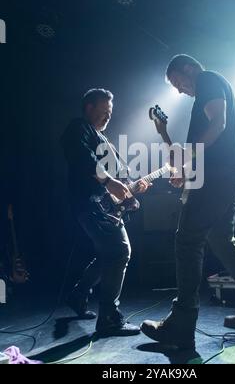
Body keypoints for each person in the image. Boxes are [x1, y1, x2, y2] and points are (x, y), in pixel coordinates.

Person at [141, 55, 235, 349]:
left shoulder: (209, 80)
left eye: (178, 82)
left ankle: (181, 323)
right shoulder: (206, 88)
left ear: (189, 69)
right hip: (224, 176)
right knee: (223, 241)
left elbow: (219, 123)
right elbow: (206, 144)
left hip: (218, 178)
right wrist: (187, 171)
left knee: (187, 241)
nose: (179, 90)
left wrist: (190, 161)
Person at [61, 88, 149, 336]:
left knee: (109, 255)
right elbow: (82, 157)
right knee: (119, 251)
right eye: (104, 111)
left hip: (106, 207)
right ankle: (109, 318)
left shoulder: (106, 141)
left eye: (110, 114)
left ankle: (78, 296)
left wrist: (132, 189)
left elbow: (121, 177)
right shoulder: (79, 128)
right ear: (89, 107)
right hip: (90, 204)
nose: (108, 117)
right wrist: (109, 182)